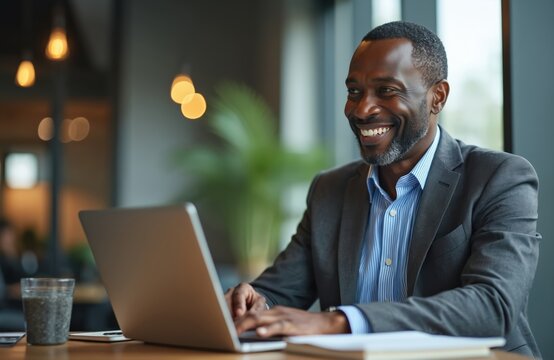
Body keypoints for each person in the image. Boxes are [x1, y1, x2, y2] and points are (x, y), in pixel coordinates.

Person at [224, 21, 541, 358]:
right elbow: (279, 291)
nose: (362, 110)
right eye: (354, 92)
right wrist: (253, 300)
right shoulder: (330, 190)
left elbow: (493, 307)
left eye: (387, 90)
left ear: (438, 97)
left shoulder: (499, 178)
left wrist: (342, 323)